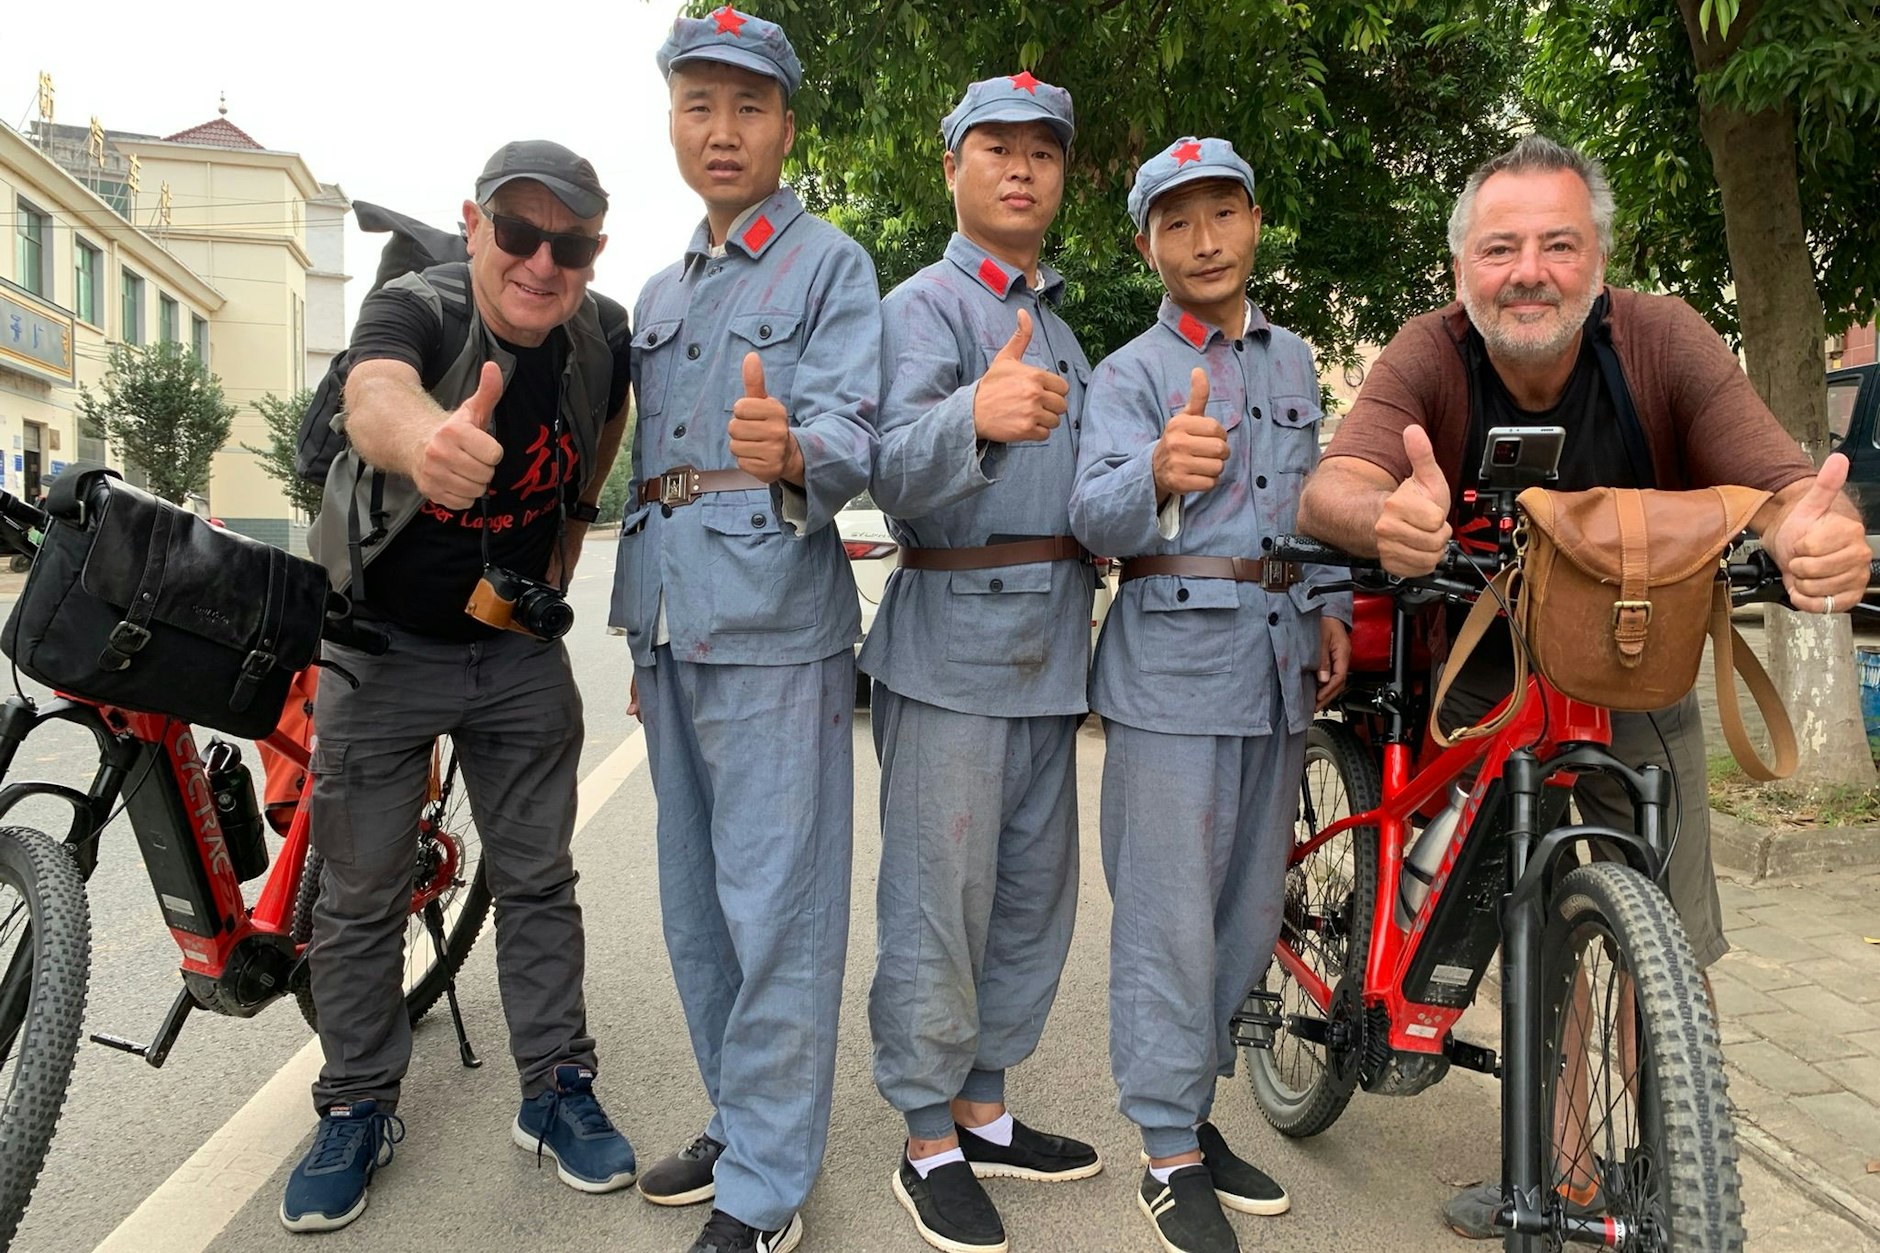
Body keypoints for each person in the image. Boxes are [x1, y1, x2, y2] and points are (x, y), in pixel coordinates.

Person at [1295, 133, 1870, 1238]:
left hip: (1629, 656)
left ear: (1597, 256)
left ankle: (1677, 1169)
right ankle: (1558, 1171)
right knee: (1526, 923)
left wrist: (1819, 535)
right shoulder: (1427, 351)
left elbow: (1786, 487)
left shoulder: (1661, 340)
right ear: (1461, 267)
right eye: (1500, 246)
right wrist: (1386, 516)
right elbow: (1335, 483)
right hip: (1478, 670)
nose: (1528, 270)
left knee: (1665, 932)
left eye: (1558, 244)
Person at [287, 140, 635, 1232]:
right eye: (518, 231)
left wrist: (573, 523)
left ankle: (555, 1087)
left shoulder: (600, 332)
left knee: (539, 877)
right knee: (357, 896)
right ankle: (354, 1099)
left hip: (515, 651)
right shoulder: (417, 308)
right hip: (382, 645)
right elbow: (372, 394)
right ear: (474, 224)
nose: (542, 259)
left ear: (593, 250)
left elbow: (609, 413)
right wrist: (427, 440)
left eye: (568, 240)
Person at [609, 9, 880, 1253]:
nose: (722, 132)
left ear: (785, 123)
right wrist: (639, 629)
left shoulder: (828, 264)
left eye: (748, 106)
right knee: (695, 907)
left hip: (775, 622)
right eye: (697, 105)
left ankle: (765, 1185)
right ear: (671, 119)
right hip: (671, 625)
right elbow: (646, 474)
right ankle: (739, 1115)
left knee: (778, 909)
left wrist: (798, 451)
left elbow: (853, 430)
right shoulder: (658, 290)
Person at [1069, 136, 1352, 1253]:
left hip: (1276, 669)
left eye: (1219, 214)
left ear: (1252, 219)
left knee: (1242, 919)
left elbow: (1317, 498)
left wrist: (1329, 599)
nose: (1201, 241)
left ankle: (1193, 1111)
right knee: (1165, 922)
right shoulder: (1130, 371)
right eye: (1174, 223)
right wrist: (1153, 471)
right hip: (1173, 674)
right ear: (1147, 244)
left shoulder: (1292, 361)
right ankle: (1162, 1150)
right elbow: (1091, 515)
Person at [861, 73, 1102, 1253]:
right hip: (952, 641)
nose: (1020, 168)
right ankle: (924, 1134)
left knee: (1026, 903)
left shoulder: (1061, 326)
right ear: (949, 165)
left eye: (1041, 153)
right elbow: (886, 468)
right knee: (935, 904)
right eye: (994, 148)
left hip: (1052, 649)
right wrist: (976, 410)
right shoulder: (921, 307)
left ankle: (984, 1103)